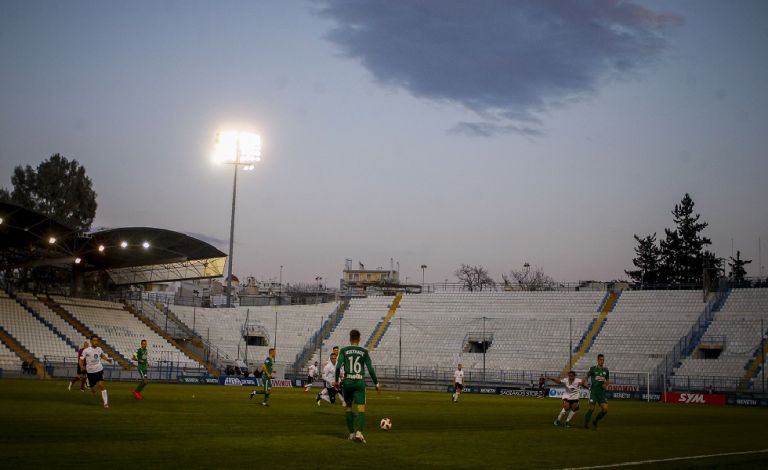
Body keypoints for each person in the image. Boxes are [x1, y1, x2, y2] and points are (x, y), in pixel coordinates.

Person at [334, 329, 380, 444]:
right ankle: (359, 432)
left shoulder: (344, 351)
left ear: (350, 339)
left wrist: (336, 381)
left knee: (348, 407)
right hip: (359, 382)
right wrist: (376, 383)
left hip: (348, 382)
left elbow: (338, 367)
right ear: (359, 339)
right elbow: (370, 369)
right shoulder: (364, 352)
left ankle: (351, 434)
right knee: (361, 408)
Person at [79, 335, 113, 409]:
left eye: (97, 340)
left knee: (101, 384)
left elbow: (102, 355)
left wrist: (107, 359)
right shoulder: (86, 350)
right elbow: (81, 359)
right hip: (90, 371)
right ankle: (90, 385)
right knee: (93, 388)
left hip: (99, 369)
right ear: (91, 341)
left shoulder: (99, 349)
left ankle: (105, 403)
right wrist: (81, 366)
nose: (96, 342)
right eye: (94, 340)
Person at [584, 354, 610, 430]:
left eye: (603, 360)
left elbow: (607, 380)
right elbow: (586, 376)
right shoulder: (593, 369)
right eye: (601, 359)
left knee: (605, 410)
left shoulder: (606, 370)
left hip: (601, 392)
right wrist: (584, 381)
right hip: (594, 391)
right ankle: (585, 424)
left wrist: (605, 384)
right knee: (592, 409)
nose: (602, 361)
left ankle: (595, 421)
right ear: (597, 360)